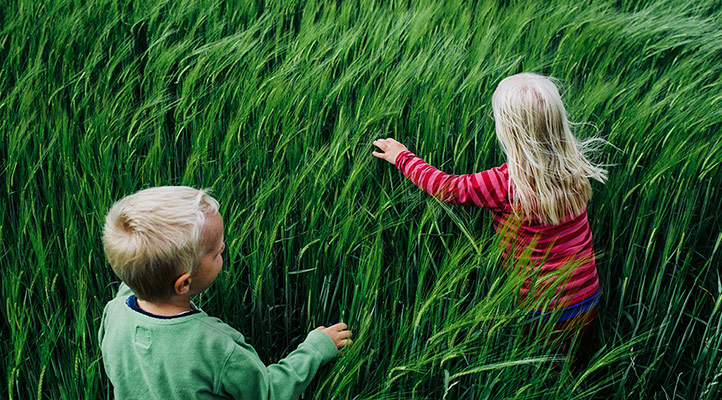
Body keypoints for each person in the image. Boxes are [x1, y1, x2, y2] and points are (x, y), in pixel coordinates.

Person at [372, 72, 607, 344]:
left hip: (541, 309)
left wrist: (402, 157)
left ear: (508, 131)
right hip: (588, 297)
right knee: (568, 358)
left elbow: (446, 187)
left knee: (542, 365)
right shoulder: (575, 165)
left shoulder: (505, 183)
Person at [98, 186, 352, 399]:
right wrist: (316, 349)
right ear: (183, 284)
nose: (224, 247)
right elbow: (269, 391)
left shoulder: (115, 310)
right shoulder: (214, 345)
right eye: (216, 252)